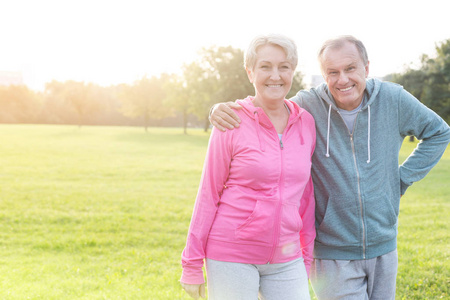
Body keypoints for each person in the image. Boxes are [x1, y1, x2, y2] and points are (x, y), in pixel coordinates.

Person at [209, 35, 450, 299]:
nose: (342, 79)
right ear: (323, 75)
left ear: (366, 68)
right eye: (332, 72)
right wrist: (218, 109)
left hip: (384, 247)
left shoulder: (393, 99)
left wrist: (400, 180)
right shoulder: (307, 106)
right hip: (331, 253)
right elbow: (265, 103)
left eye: (350, 69)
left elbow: (439, 132)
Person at [180, 34, 316, 300]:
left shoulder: (306, 123)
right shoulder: (231, 120)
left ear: (293, 71)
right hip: (232, 254)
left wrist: (306, 255)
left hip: (287, 258)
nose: (275, 75)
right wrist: (192, 264)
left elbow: (306, 196)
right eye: (265, 66)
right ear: (250, 71)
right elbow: (208, 194)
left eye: (284, 67)